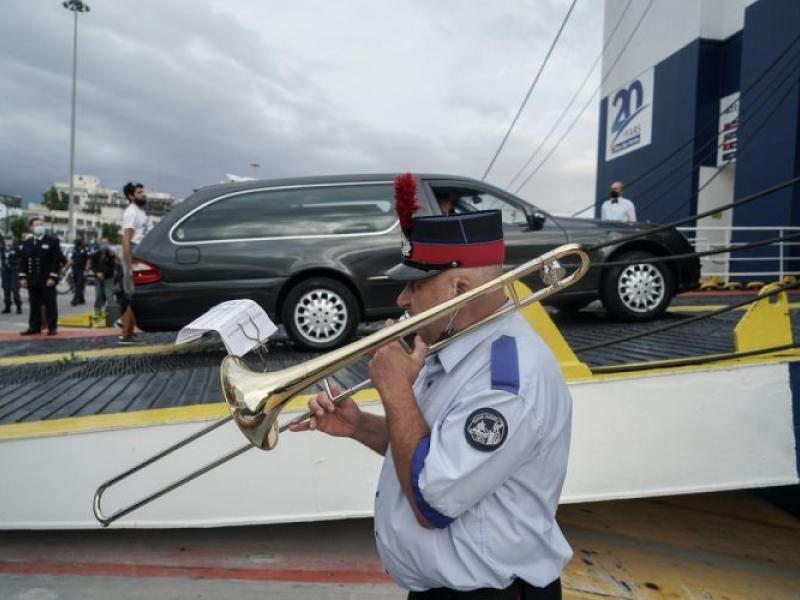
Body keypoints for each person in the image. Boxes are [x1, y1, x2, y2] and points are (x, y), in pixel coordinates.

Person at [291, 174, 573, 598]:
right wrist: (360, 426)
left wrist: (397, 391)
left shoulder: (507, 381)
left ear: (459, 288)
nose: (403, 300)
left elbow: (432, 500)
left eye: (416, 285)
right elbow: (432, 450)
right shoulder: (452, 347)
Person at [119, 182, 152, 344]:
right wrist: (129, 263)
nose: (143, 194)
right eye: (139, 192)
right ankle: (125, 333)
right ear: (131, 196)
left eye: (142, 191)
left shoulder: (141, 212)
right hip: (133, 255)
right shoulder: (131, 213)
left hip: (141, 255)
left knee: (135, 295)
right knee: (132, 295)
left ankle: (129, 331)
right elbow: (126, 239)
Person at [19, 217, 61, 335]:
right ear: (31, 227)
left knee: (50, 303)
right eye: (36, 225)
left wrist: (53, 277)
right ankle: (34, 327)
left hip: (47, 279)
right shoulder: (27, 243)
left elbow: (56, 260)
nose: (39, 227)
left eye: (41, 224)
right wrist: (23, 277)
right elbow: (23, 261)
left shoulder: (52, 241)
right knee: (34, 304)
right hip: (32, 279)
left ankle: (52, 327)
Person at [87, 237, 118, 315]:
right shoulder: (95, 254)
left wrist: (113, 256)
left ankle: (112, 314)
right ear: (100, 244)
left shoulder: (111, 254)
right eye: (103, 243)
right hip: (98, 278)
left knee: (109, 295)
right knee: (99, 295)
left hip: (109, 277)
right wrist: (97, 273)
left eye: (106, 243)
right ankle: (98, 312)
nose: (104, 245)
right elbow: (91, 266)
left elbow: (114, 265)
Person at [1, 237, 23, 314]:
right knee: (6, 289)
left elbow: (22, 258)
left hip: (14, 270)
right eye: (6, 240)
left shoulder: (16, 248)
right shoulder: (2, 248)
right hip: (5, 271)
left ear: (12, 241)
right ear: (4, 241)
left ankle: (19, 306)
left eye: (10, 240)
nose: (8, 241)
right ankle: (7, 307)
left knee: (15, 289)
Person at [70, 238, 90, 306]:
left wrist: (86, 270)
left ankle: (75, 300)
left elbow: (88, 260)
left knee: (78, 285)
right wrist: (66, 267)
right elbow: (72, 259)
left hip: (82, 270)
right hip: (75, 269)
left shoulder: (85, 250)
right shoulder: (75, 250)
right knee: (77, 284)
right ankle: (82, 299)